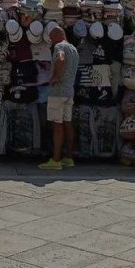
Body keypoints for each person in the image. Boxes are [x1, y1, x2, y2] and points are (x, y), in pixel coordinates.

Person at [39, 26, 79, 171]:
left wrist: (56, 76)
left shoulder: (60, 46)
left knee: (57, 124)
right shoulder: (73, 49)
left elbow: (61, 57)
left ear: (57, 35)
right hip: (69, 91)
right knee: (67, 124)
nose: (50, 41)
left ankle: (56, 160)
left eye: (51, 37)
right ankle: (69, 157)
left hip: (58, 92)